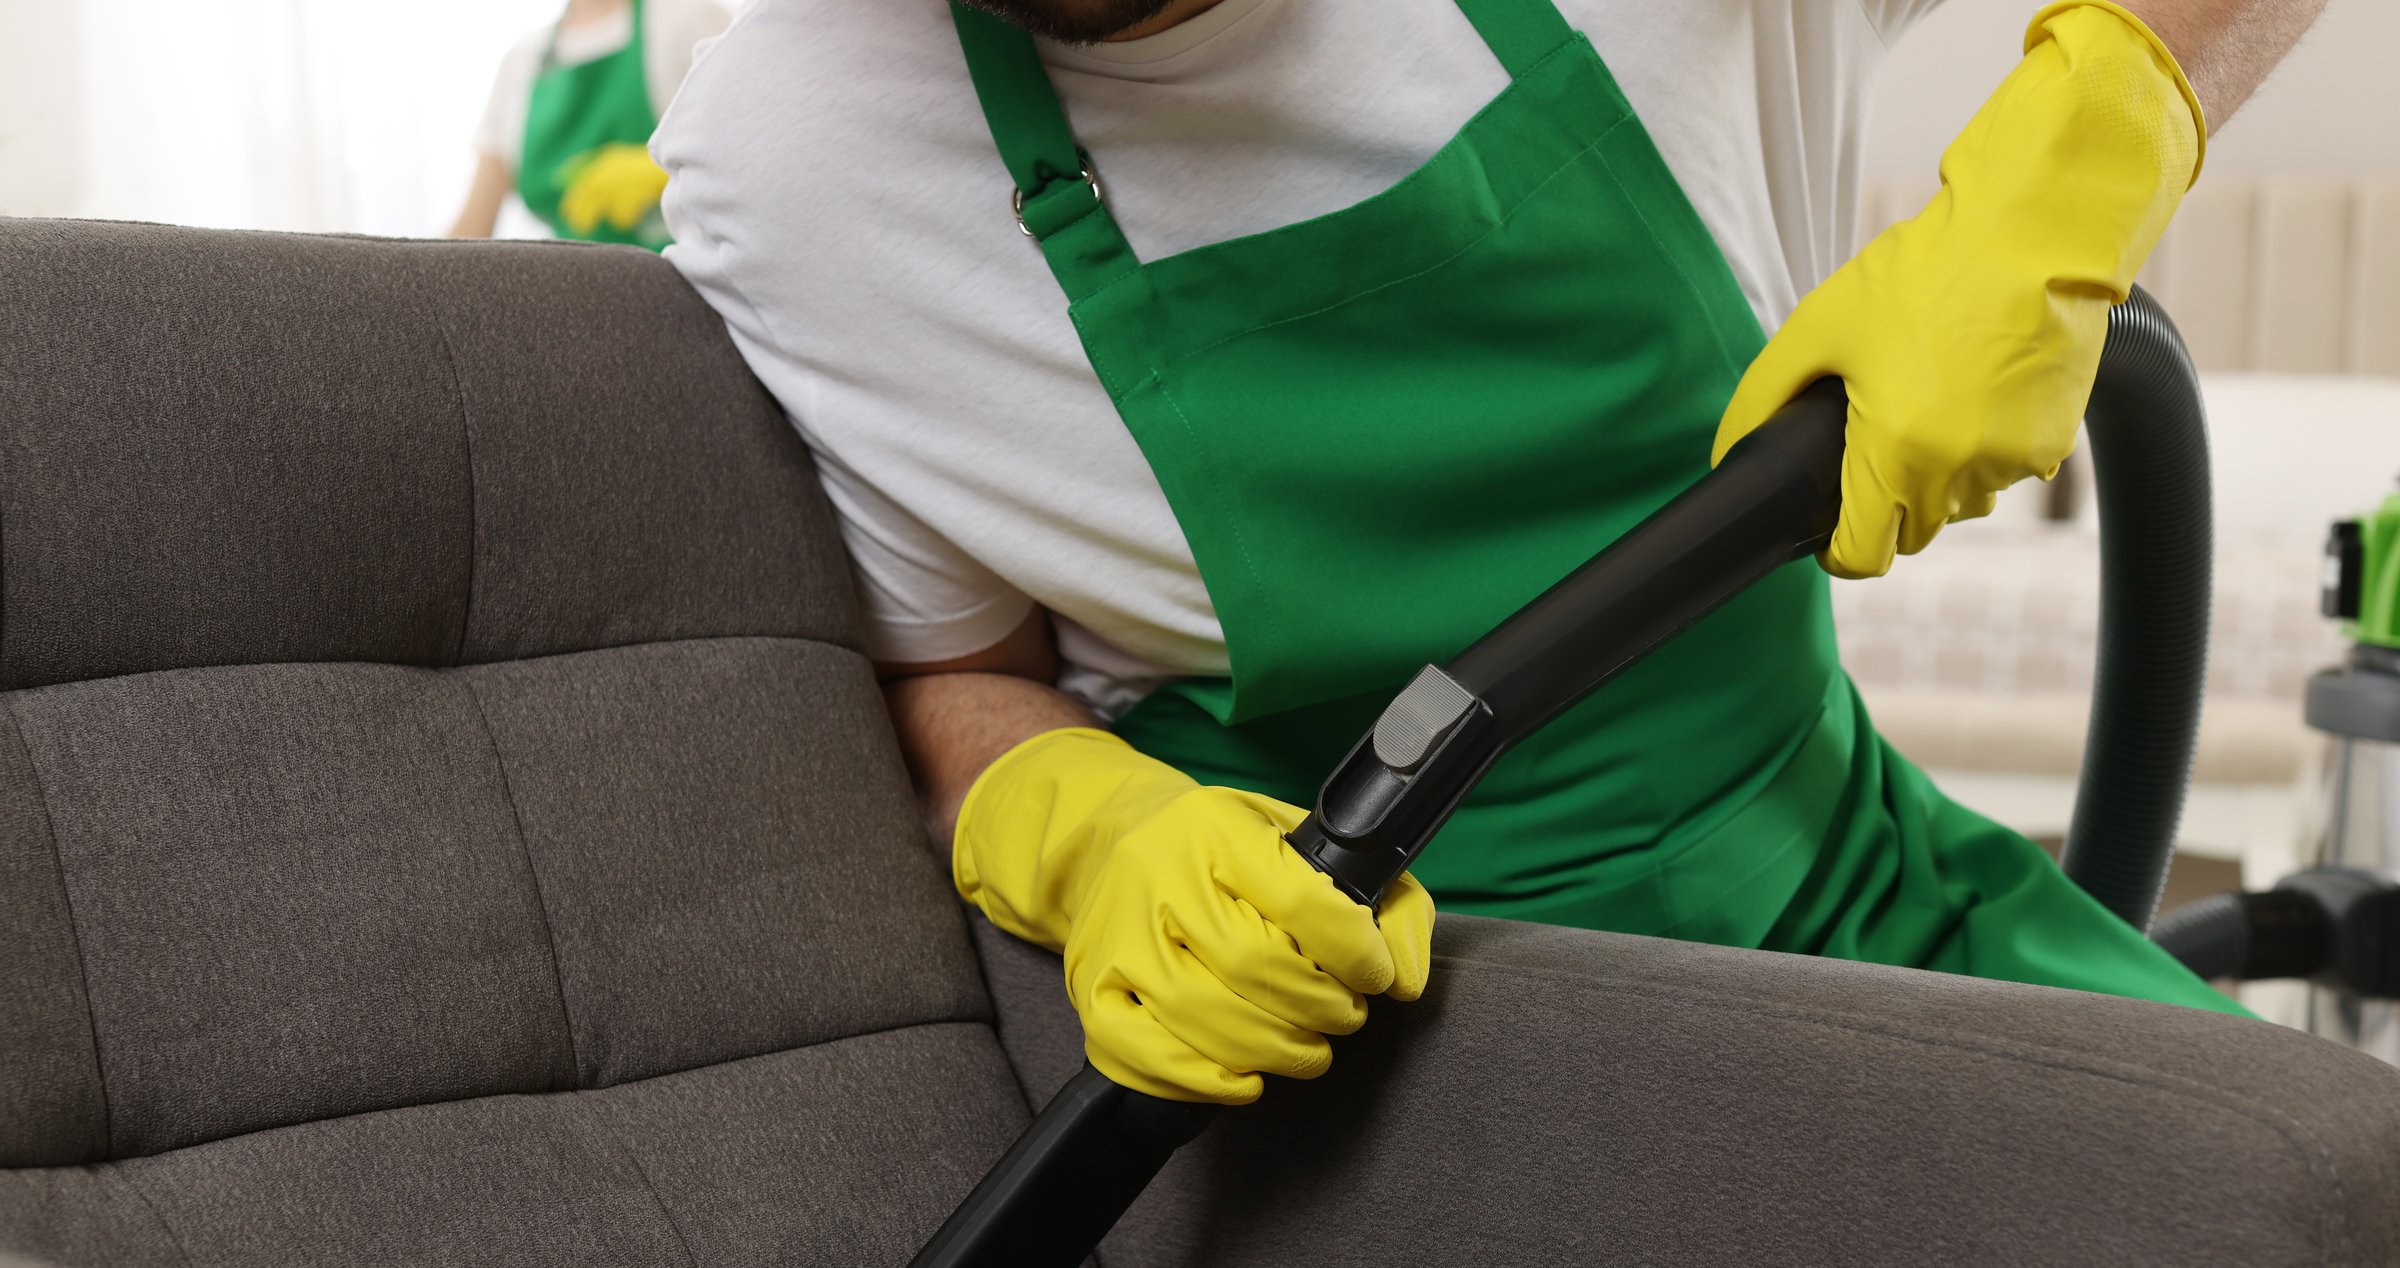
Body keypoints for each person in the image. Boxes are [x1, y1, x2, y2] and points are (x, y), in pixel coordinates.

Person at [657, 0, 2324, 1105]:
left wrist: (2091, 150)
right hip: (1360, 1067)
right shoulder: (794, 152)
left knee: (2322, 1250)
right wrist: (1088, 838)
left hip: (1863, 903)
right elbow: (957, 669)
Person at [449, 0, 727, 248]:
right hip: (568, 288)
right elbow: (474, 223)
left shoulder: (691, 20)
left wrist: (661, 173)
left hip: (680, 286)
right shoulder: (521, 62)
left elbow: (744, 164)